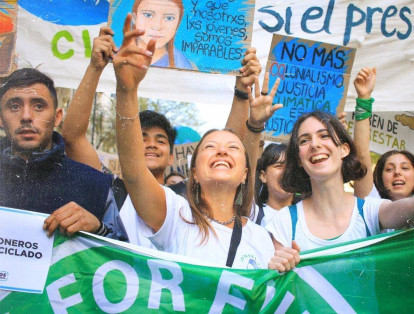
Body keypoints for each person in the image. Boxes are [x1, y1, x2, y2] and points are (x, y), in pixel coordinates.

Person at [113, 13, 284, 268]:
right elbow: (134, 173)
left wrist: (285, 264)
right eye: (210, 148)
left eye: (232, 148)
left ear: (246, 174)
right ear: (194, 171)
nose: (222, 152)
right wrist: (127, 90)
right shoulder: (174, 215)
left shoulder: (264, 240)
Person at [266, 111, 414, 272]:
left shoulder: (370, 212)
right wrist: (275, 267)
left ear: (344, 149)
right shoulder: (284, 221)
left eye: (324, 136)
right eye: (304, 140)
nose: (314, 145)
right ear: (299, 160)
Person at [0, 68, 127, 240]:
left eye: (38, 106)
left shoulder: (95, 185)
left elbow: (124, 260)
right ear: (1, 118)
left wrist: (99, 230)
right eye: (14, 106)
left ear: (57, 117)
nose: (26, 116)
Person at [351, 67, 414, 201]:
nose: (397, 172)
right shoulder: (372, 204)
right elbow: (361, 155)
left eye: (405, 168)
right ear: (379, 178)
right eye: (389, 169)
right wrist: (364, 98)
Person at [132, 0, 193, 69]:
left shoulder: (182, 64)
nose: (157, 26)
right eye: (148, 15)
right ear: (134, 18)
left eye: (169, 18)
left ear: (177, 23)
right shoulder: (119, 56)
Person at [253, 143, 299, 226]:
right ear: (263, 176)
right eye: (279, 166)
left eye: (292, 167)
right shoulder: (252, 216)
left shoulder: (308, 217)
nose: (287, 172)